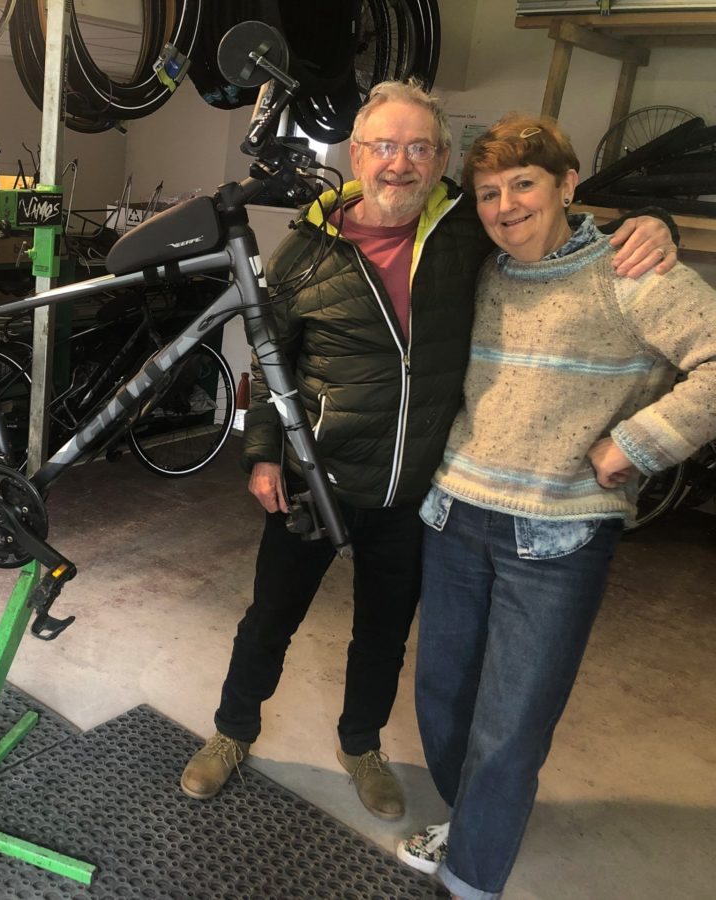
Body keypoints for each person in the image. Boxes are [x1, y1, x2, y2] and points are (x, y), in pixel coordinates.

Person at [179, 80, 677, 819]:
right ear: (357, 153)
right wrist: (260, 454)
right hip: (316, 475)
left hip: (418, 486)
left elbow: (557, 224)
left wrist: (654, 222)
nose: (399, 164)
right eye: (383, 146)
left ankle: (361, 744)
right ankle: (231, 732)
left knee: (382, 634)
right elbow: (267, 353)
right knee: (269, 619)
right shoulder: (307, 246)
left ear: (442, 157)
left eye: (418, 148)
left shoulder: (470, 230)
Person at [396, 113, 716, 899]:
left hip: (558, 538)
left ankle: (471, 876)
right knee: (443, 702)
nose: (505, 207)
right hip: (456, 515)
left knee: (510, 726)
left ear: (569, 185)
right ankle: (473, 815)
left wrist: (636, 444)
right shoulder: (488, 270)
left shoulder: (632, 270)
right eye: (489, 193)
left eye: (524, 185)